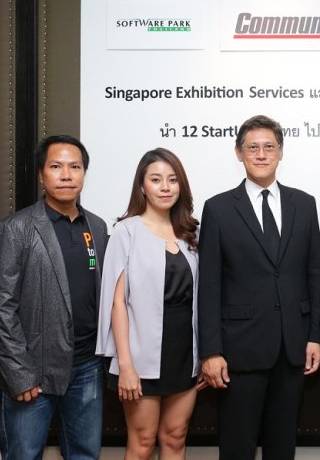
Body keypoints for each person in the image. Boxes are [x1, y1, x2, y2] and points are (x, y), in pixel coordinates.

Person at [198, 115, 320, 460]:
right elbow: (209, 285)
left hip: (292, 347)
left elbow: (314, 275)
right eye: (252, 147)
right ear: (239, 153)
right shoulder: (219, 208)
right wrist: (210, 351)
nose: (261, 154)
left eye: (269, 146)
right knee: (237, 448)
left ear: (281, 152)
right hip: (239, 350)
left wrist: (314, 336)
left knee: (282, 447)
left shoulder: (304, 204)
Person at [0, 135, 108, 460]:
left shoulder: (96, 227)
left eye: (75, 167)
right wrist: (19, 373)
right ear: (42, 175)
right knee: (23, 455)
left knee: (85, 455)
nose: (66, 175)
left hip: (87, 366)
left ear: (84, 173)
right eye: (56, 167)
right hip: (33, 372)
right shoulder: (16, 228)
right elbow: (1, 306)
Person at [96, 148, 204, 460]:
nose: (165, 187)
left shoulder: (193, 233)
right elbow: (117, 303)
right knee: (142, 442)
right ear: (142, 186)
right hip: (139, 356)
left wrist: (204, 355)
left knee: (175, 437)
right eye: (156, 180)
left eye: (172, 180)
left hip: (184, 353)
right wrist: (125, 365)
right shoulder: (125, 231)